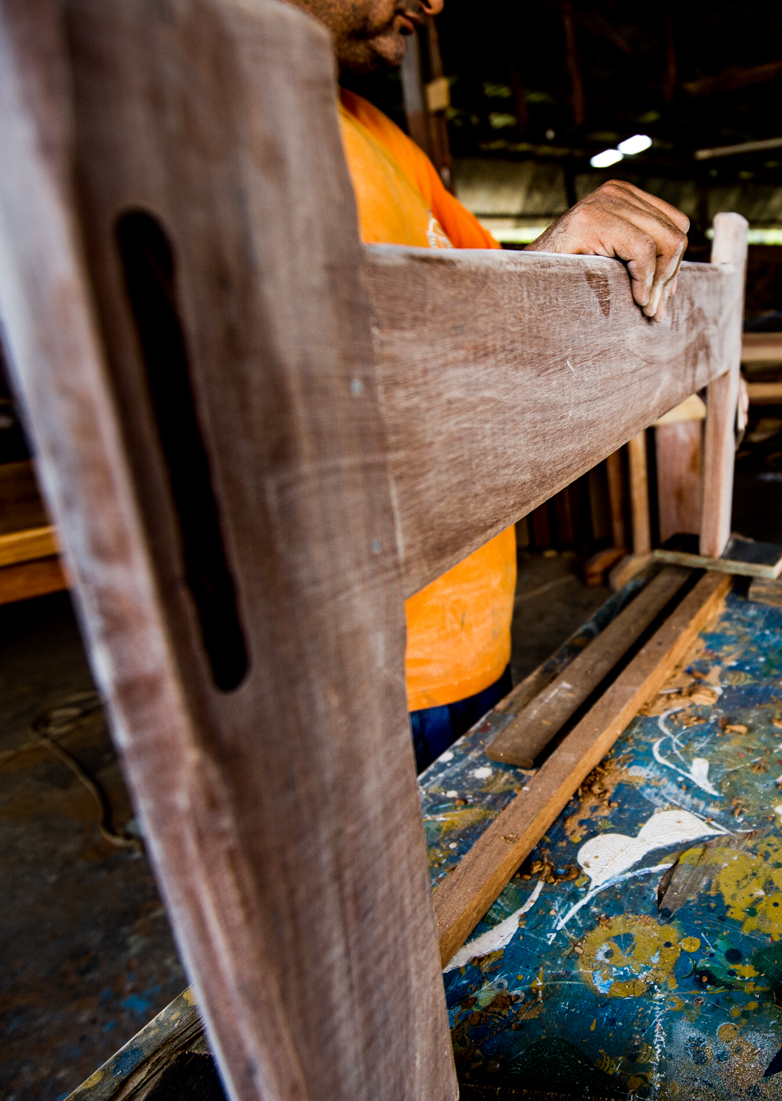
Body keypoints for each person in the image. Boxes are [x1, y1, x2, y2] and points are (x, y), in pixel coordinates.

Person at [284, 0, 691, 770]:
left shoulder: (374, 131)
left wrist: (696, 349)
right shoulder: (210, 136)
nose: (436, 1)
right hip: (362, 675)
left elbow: (506, 304)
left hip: (469, 636)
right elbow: (309, 422)